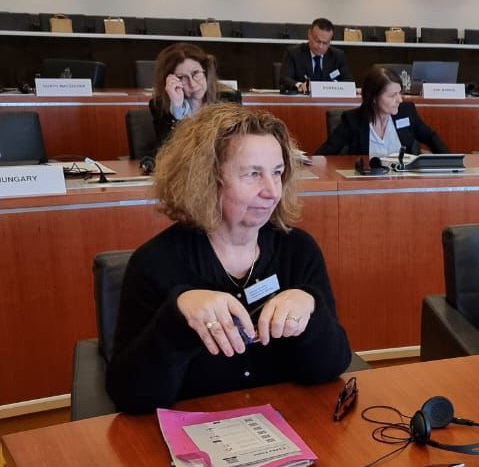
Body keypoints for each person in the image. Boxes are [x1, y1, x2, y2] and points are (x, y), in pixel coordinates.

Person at [106, 104, 353, 414]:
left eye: (277, 173)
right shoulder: (155, 263)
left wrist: (311, 308)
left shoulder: (299, 250)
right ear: (207, 180)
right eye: (253, 174)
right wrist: (176, 319)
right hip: (193, 430)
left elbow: (331, 367)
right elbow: (130, 396)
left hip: (288, 423)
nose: (272, 191)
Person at [317, 67, 449, 156]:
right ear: (373, 98)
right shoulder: (353, 120)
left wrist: (450, 162)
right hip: (366, 183)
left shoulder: (406, 112)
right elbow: (326, 153)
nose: (399, 100)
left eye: (400, 93)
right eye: (392, 96)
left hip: (404, 181)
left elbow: (431, 137)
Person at [149, 43, 241, 146]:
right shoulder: (160, 105)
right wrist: (177, 109)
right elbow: (167, 148)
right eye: (181, 77)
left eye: (195, 73)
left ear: (206, 72)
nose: (192, 84)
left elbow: (237, 141)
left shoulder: (229, 98)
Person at [280, 18, 353, 93]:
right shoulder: (294, 53)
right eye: (317, 41)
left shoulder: (338, 56)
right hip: (303, 98)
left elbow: (348, 82)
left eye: (325, 43)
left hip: (328, 98)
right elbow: (284, 78)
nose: (320, 46)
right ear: (309, 34)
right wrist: (300, 85)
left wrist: (332, 86)